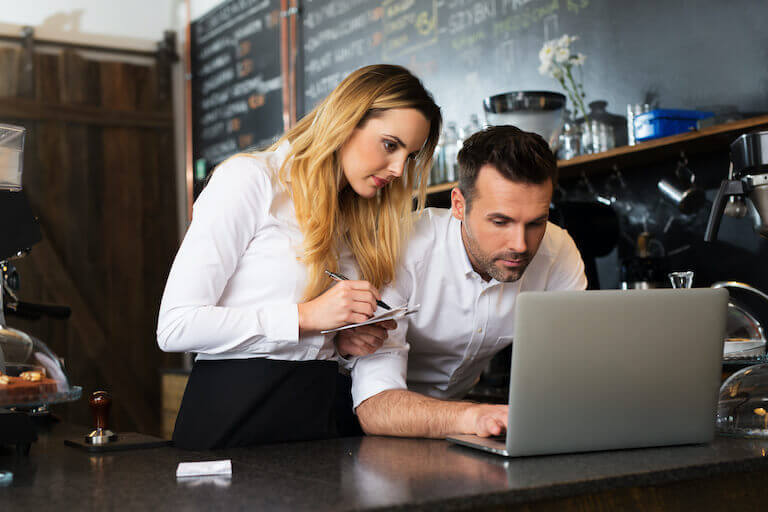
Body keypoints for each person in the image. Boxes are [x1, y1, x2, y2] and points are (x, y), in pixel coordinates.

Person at [157, 64, 442, 449]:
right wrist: (306, 317)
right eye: (390, 145)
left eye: (409, 157)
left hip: (321, 421)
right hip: (233, 419)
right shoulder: (250, 180)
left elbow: (309, 341)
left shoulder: (357, 216)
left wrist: (341, 344)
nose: (396, 169)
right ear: (346, 120)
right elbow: (176, 327)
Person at [343, 125, 587, 438]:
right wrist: (476, 416)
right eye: (500, 221)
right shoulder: (402, 249)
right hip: (353, 425)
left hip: (457, 424)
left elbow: (573, 369)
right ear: (459, 205)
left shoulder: (558, 252)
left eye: (536, 223)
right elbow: (375, 406)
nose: (520, 245)